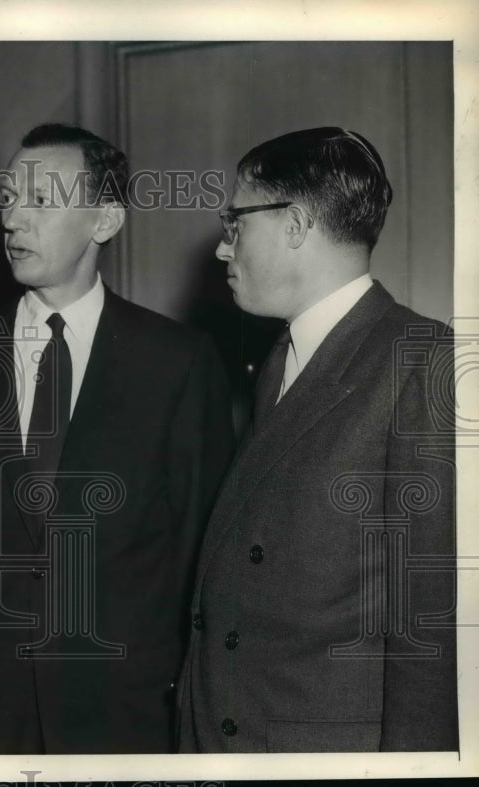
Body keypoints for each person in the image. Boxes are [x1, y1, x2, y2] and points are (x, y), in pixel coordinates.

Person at [0, 123, 235, 753]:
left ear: (104, 221)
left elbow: (201, 557)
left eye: (41, 200)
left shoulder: (177, 363)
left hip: (123, 715)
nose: (12, 219)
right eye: (9, 198)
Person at [176, 127, 458, 752]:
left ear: (296, 223)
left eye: (236, 223)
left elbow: (429, 626)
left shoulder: (420, 360)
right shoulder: (279, 359)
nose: (225, 250)